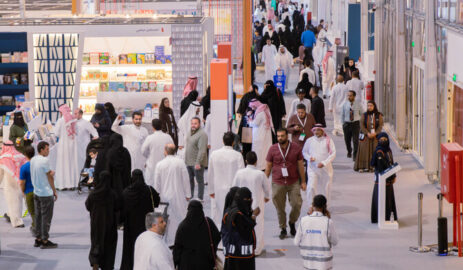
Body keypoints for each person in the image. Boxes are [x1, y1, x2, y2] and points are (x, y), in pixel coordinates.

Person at [265, 129, 306, 239]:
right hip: (278, 181)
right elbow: (268, 166)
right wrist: (264, 183)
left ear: (287, 136)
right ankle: (283, 228)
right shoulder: (272, 149)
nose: (280, 138)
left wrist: (303, 181)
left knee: (297, 204)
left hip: (293, 181)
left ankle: (292, 222)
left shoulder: (296, 148)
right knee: (280, 207)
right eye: (278, 136)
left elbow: (301, 166)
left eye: (282, 136)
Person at [232, 151, 270, 255]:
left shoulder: (239, 173)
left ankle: (242, 247)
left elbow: (234, 188)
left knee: (240, 225)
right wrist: (267, 197)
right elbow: (267, 188)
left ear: (246, 161)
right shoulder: (260, 174)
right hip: (256, 205)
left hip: (240, 205)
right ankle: (256, 249)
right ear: (256, 162)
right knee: (257, 225)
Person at [121, 169, 160, 270]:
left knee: (131, 249)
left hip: (130, 227)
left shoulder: (126, 192)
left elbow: (122, 209)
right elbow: (156, 202)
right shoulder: (149, 190)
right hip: (146, 226)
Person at [154, 143, 192, 245]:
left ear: (165, 151)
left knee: (167, 220)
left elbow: (156, 184)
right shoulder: (180, 163)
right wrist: (188, 194)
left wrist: (156, 195)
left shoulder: (160, 164)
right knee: (180, 218)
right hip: (179, 195)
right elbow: (186, 180)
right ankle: (180, 240)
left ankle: (167, 242)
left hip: (164, 197)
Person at [85, 171, 121, 270]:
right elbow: (117, 207)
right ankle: (107, 266)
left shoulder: (93, 194)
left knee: (96, 243)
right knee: (109, 245)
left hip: (96, 224)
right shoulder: (112, 194)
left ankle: (95, 263)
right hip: (110, 223)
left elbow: (88, 206)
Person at [208, 132, 245, 230]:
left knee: (218, 213)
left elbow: (210, 174)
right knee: (232, 213)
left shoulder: (214, 154)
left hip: (218, 188)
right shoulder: (238, 156)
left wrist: (211, 190)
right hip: (233, 190)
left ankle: (219, 237)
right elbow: (242, 174)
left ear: (223, 141)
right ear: (233, 142)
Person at [173, 200, 221, 270]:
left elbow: (177, 247)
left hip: (187, 264)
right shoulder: (208, 222)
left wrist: (176, 262)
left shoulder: (183, 225)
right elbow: (217, 237)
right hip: (206, 262)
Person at [294, 194, 338, 270]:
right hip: (324, 263)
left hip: (308, 262)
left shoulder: (303, 220)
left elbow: (296, 242)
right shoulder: (328, 222)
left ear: (312, 205)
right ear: (325, 206)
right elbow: (335, 242)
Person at [222, 187, 260, 270]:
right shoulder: (237, 214)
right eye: (246, 198)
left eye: (250, 198)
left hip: (233, 252)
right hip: (241, 255)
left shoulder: (231, 211)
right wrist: (253, 216)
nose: (249, 201)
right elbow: (245, 229)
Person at [31, 141, 58, 249]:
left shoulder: (33, 159)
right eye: (47, 149)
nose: (48, 151)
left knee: (38, 217)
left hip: (36, 192)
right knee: (46, 218)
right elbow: (49, 177)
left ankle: (38, 239)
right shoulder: (45, 161)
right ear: (41, 149)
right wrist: (54, 191)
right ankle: (45, 240)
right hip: (46, 193)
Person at [302, 124, 336, 204]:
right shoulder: (309, 140)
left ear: (322, 131)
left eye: (318, 130)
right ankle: (311, 206)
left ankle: (325, 207)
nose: (316, 132)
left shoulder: (328, 140)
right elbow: (304, 152)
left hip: (325, 169)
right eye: (315, 130)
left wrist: (324, 163)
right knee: (311, 187)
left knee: (325, 189)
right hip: (312, 169)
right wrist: (309, 158)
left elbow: (333, 153)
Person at [370, 133, 398, 224]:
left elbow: (391, 163)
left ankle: (389, 217)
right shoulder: (379, 152)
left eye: (385, 139)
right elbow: (383, 166)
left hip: (389, 180)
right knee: (381, 199)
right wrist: (392, 176)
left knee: (389, 199)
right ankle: (380, 217)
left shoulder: (389, 150)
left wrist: (394, 175)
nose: (383, 141)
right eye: (381, 139)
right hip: (381, 181)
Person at [0, 141, 28, 228]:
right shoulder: (21, 156)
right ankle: (9, 215)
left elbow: (0, 173)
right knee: (18, 201)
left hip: (10, 184)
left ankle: (17, 222)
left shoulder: (4, 158)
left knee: (12, 201)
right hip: (20, 181)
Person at [53, 104, 79, 190]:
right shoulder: (74, 119)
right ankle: (72, 184)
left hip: (63, 145)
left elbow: (56, 133)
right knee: (71, 163)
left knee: (63, 164)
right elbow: (77, 131)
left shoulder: (60, 120)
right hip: (73, 145)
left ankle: (63, 185)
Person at [141, 118, 173, 184]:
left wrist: (148, 157)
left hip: (152, 165)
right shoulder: (168, 137)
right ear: (162, 126)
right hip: (165, 165)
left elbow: (143, 151)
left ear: (153, 127)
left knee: (152, 185)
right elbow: (173, 150)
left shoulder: (150, 138)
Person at [355, 101, 384, 172]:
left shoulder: (379, 115)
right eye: (368, 106)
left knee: (374, 151)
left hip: (375, 137)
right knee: (364, 151)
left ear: (374, 106)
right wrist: (367, 133)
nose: (369, 107)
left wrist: (376, 133)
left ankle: (373, 167)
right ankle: (362, 167)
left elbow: (380, 125)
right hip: (365, 136)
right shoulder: (364, 115)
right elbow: (361, 125)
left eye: (371, 106)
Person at [185, 117, 208, 201]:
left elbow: (202, 150)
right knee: (190, 180)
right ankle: (190, 195)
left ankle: (200, 197)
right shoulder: (190, 132)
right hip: (189, 161)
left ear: (199, 124)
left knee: (199, 180)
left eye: (195, 123)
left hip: (197, 163)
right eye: (192, 123)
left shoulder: (202, 134)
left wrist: (198, 162)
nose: (193, 125)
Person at [248, 99, 274, 170]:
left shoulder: (260, 112)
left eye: (252, 106)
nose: (252, 108)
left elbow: (255, 123)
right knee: (265, 150)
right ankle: (265, 165)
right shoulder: (264, 109)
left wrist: (249, 121)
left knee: (260, 152)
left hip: (260, 135)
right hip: (264, 134)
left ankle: (260, 166)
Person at [237, 84, 260, 159]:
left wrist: (241, 114)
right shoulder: (259, 97)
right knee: (254, 143)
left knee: (246, 143)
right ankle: (254, 158)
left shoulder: (246, 96)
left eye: (250, 87)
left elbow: (241, 108)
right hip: (257, 124)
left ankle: (246, 158)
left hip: (246, 123)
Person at [341, 90, 363, 159]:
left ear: (354, 96)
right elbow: (342, 114)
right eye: (348, 95)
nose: (349, 97)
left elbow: (362, 114)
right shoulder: (345, 104)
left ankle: (355, 155)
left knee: (355, 140)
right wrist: (343, 124)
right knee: (347, 139)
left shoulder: (358, 104)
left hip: (355, 124)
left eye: (350, 96)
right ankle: (349, 151)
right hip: (347, 124)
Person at [19, 146, 35, 232]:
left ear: (25, 154)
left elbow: (22, 182)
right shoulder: (37, 165)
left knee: (32, 211)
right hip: (38, 191)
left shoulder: (24, 167)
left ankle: (36, 227)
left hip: (29, 192)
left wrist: (22, 191)